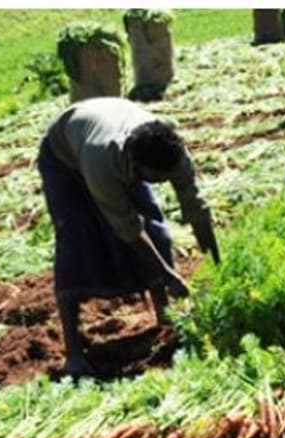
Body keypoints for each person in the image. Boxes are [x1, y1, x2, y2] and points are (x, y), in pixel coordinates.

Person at [37, 96, 219, 377]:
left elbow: (195, 208)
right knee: (76, 243)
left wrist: (218, 265)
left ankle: (166, 322)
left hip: (109, 129)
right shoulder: (102, 160)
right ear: (136, 166)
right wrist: (168, 274)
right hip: (65, 157)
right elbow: (129, 228)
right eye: (155, 178)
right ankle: (74, 353)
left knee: (157, 231)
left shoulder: (173, 153)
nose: (161, 182)